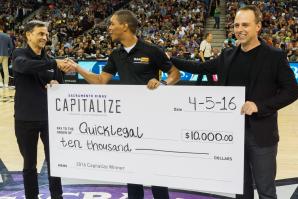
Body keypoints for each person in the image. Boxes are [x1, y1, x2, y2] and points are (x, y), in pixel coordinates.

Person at [169, 5, 298, 199]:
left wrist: (259, 106)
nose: (240, 29)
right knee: (240, 189)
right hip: (232, 134)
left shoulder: (274, 56)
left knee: (266, 191)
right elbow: (200, 68)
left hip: (261, 135)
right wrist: (170, 59)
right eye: (237, 25)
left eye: (245, 24)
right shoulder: (228, 55)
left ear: (258, 26)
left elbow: (292, 91)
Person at [64, 10, 180, 199]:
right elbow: (101, 81)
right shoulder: (116, 54)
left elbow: (175, 74)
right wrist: (77, 67)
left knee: (156, 170)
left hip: (153, 120)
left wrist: (163, 84)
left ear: (124, 26)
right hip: (128, 121)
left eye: (112, 24)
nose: (108, 27)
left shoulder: (151, 50)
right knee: (132, 171)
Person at [12, 20, 73, 199]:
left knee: (54, 162)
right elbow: (23, 66)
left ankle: (57, 195)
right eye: (40, 34)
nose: (45, 37)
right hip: (25, 119)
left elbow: (60, 82)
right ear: (28, 35)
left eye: (46, 34)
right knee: (29, 164)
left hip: (49, 119)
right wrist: (54, 63)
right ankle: (32, 196)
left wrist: (56, 82)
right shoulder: (19, 53)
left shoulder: (48, 58)